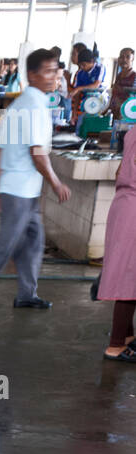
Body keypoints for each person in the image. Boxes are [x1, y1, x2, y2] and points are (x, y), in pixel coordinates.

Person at [0, 48, 71, 313]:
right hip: (18, 190)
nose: (55, 76)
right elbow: (38, 154)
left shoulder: (26, 102)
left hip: (22, 189)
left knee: (33, 241)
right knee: (6, 246)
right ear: (32, 74)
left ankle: (27, 294)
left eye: (56, 70)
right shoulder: (32, 105)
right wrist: (55, 182)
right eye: (49, 71)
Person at [97, 124, 136, 360]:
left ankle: (126, 335)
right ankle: (116, 346)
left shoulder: (133, 132)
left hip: (124, 204)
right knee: (130, 281)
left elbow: (119, 171)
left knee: (128, 275)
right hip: (133, 211)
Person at [110, 47, 136, 150]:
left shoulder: (134, 76)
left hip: (129, 115)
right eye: (121, 57)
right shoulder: (119, 76)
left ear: (132, 59)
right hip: (116, 113)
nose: (124, 59)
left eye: (127, 57)